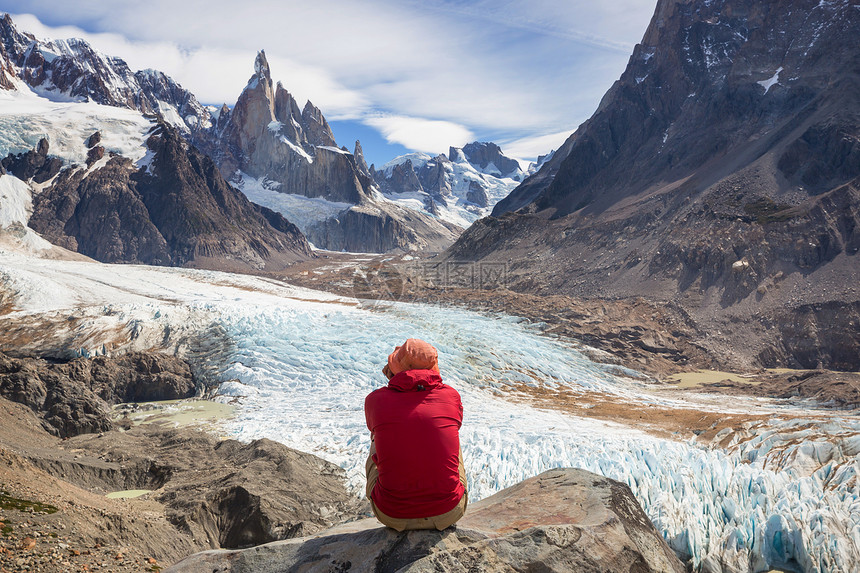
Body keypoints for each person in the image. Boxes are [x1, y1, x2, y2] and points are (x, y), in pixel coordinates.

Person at [364, 338, 467, 531]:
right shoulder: (451, 396)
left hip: (392, 513)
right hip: (448, 511)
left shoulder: (375, 400)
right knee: (446, 432)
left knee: (377, 435)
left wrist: (395, 383)